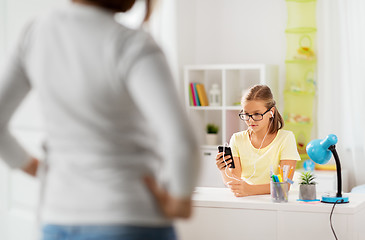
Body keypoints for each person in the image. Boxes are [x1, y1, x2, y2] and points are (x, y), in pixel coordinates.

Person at [0, 0, 200, 239]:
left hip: (57, 219)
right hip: (128, 217)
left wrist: (33, 167)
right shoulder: (131, 43)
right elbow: (182, 142)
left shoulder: (34, 33)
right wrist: (180, 199)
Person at [215, 85, 300, 197]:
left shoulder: (286, 138)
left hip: (274, 202)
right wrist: (223, 169)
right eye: (246, 114)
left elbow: (284, 185)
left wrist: (250, 189)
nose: (250, 120)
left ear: (271, 112)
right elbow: (235, 183)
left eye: (256, 114)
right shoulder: (237, 139)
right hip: (246, 200)